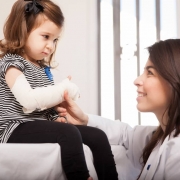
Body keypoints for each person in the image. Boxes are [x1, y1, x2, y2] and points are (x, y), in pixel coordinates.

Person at [0, 0, 118, 180]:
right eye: (45, 36)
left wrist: (57, 117)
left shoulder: (41, 68)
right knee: (68, 133)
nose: (51, 45)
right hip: (13, 127)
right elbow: (29, 101)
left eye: (55, 39)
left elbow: (45, 108)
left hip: (33, 124)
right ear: (22, 31)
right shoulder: (12, 64)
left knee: (97, 135)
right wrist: (62, 88)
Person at [57, 39, 180, 180]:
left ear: (175, 80)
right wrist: (85, 119)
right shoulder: (160, 137)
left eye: (150, 73)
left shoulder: (177, 150)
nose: (137, 80)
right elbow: (124, 135)